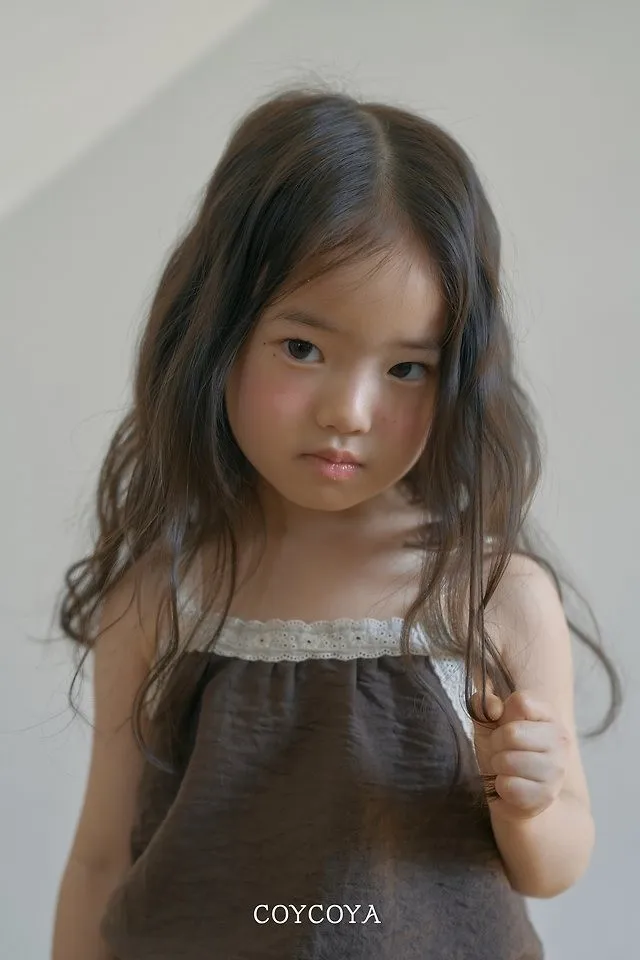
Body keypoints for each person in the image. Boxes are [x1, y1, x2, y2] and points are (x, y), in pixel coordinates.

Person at [50, 83, 621, 960]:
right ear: (215, 336)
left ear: (458, 377)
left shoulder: (489, 595)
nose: (349, 411)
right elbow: (100, 861)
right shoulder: (162, 598)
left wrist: (533, 801)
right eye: (303, 349)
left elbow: (553, 867)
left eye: (406, 369)